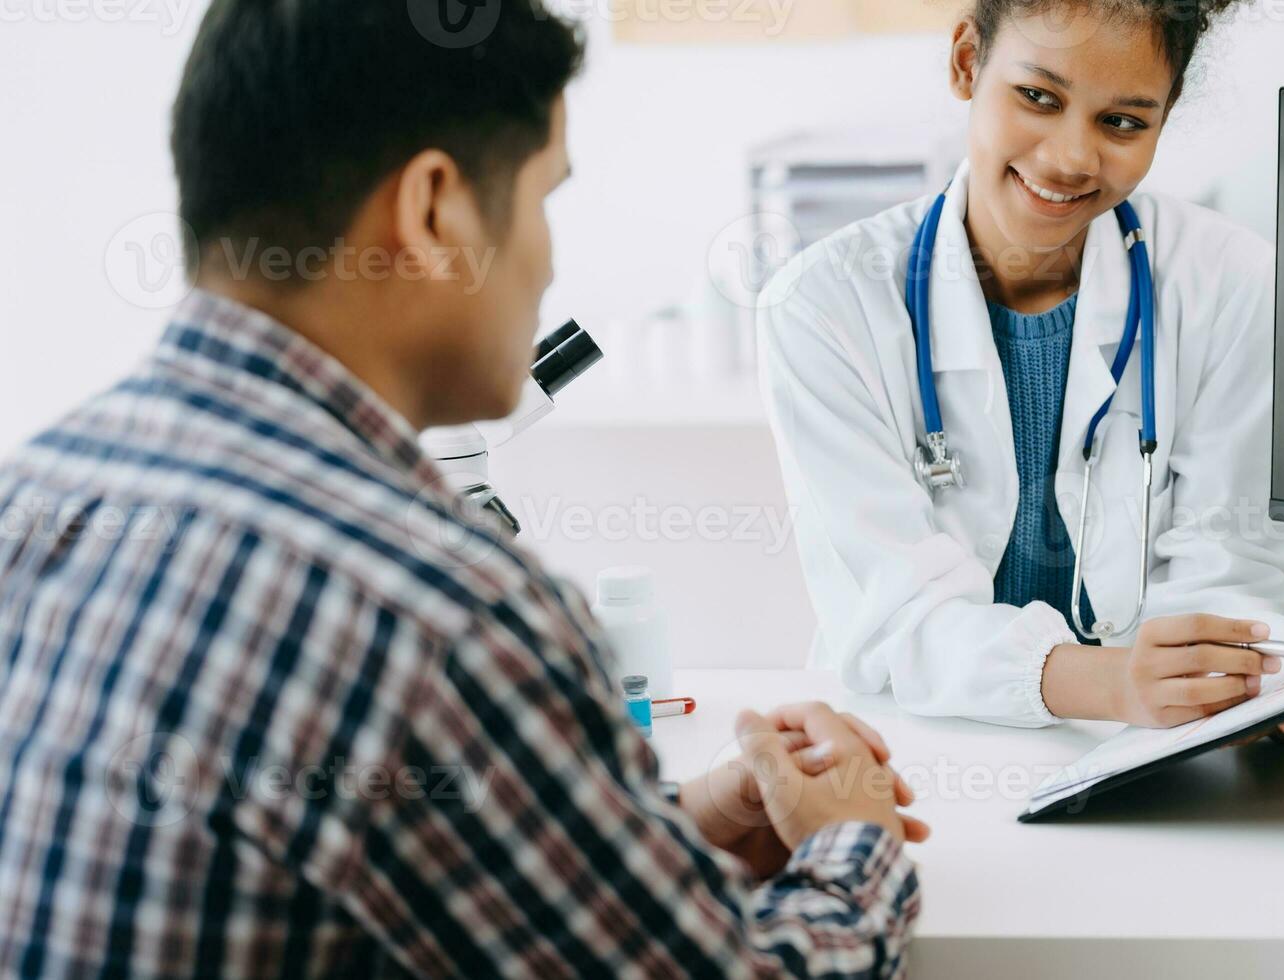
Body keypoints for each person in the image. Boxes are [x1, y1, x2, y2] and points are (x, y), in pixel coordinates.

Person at [0, 2, 924, 975]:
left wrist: (645, 832)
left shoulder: (38, 493)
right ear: (434, 211)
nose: (550, 259)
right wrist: (849, 837)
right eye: (542, 201)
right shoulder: (441, 616)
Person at [758, 0, 1284, 738]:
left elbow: (1234, 569)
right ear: (965, 62)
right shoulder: (824, 304)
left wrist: (1256, 687)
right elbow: (896, 617)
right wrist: (1106, 683)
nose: (1071, 159)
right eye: (1039, 98)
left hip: (1148, 755)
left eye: (1123, 123)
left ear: (1163, 122)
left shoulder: (1233, 284)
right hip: (914, 747)